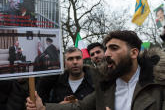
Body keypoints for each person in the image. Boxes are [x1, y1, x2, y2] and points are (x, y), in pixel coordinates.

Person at [26, 30, 165, 110]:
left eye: (114, 48)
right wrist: (43, 108)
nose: (106, 54)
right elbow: (79, 107)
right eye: (107, 49)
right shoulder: (106, 85)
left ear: (134, 53)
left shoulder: (158, 84)